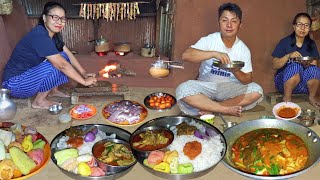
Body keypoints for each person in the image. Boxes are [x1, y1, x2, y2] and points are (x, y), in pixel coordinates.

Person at [1, 2, 97, 109]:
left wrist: (84, 73)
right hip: (14, 84)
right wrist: (84, 82)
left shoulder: (53, 36)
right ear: (44, 18)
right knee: (56, 63)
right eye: (55, 17)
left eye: (62, 18)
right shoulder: (39, 35)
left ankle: (53, 91)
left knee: (62, 56)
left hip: (26, 79)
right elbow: (61, 65)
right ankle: (39, 101)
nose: (59, 22)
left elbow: (68, 54)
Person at [175, 3, 263, 117]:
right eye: (224, 20)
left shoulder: (243, 49)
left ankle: (212, 108)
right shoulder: (210, 40)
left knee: (257, 90)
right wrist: (213, 53)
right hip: (206, 86)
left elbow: (247, 80)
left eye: (234, 21)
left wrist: (235, 70)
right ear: (219, 22)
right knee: (183, 89)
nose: (229, 25)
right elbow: (186, 55)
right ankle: (224, 109)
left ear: (240, 25)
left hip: (229, 88)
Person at [272, 13, 320, 107]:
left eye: (306, 25)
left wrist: (306, 64)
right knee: (295, 66)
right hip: (284, 84)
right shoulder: (284, 42)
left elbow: (314, 64)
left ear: (309, 28)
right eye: (300, 24)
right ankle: (287, 98)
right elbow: (274, 65)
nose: (303, 28)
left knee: (315, 69)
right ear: (294, 26)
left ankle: (312, 97)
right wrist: (288, 56)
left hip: (303, 86)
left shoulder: (311, 44)